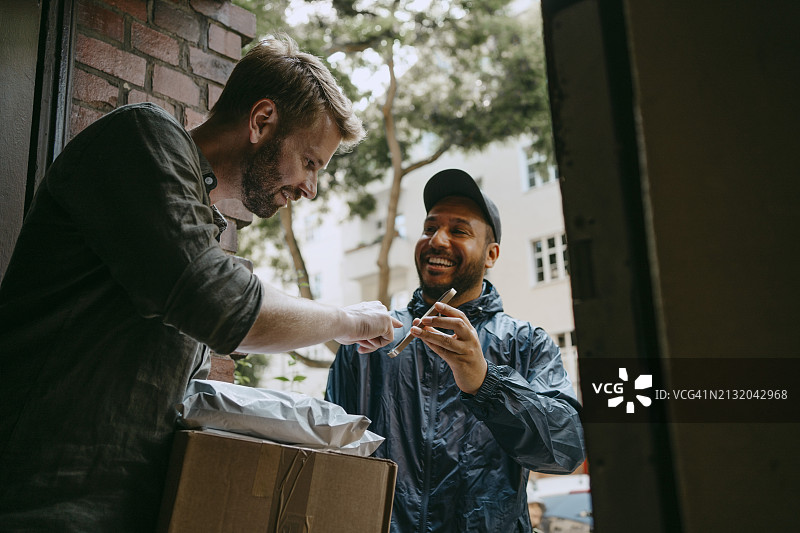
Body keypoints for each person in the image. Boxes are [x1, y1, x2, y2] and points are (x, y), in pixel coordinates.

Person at [0, 35, 400, 531]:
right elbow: (225, 305)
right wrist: (348, 321)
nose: (310, 189)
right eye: (311, 162)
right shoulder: (140, 139)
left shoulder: (195, 221)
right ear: (261, 121)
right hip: (34, 506)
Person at [326, 168, 586, 532]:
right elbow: (330, 452)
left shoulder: (527, 343)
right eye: (429, 227)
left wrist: (486, 383)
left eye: (459, 231)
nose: (437, 240)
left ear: (491, 254)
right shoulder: (374, 339)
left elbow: (566, 449)